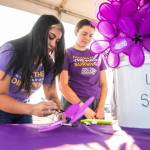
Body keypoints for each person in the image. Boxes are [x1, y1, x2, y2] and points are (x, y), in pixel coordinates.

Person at [0, 14, 65, 124]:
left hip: (23, 111)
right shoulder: (11, 51)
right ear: (39, 32)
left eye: (57, 41)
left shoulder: (48, 64)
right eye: (51, 36)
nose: (54, 44)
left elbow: (52, 94)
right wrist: (32, 108)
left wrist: (58, 111)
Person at [59, 19, 107, 119]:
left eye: (91, 35)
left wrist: (101, 107)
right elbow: (63, 86)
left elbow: (104, 84)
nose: (87, 38)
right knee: (73, 134)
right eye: (84, 34)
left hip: (95, 105)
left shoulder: (97, 54)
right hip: (74, 104)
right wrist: (83, 108)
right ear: (76, 32)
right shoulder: (66, 53)